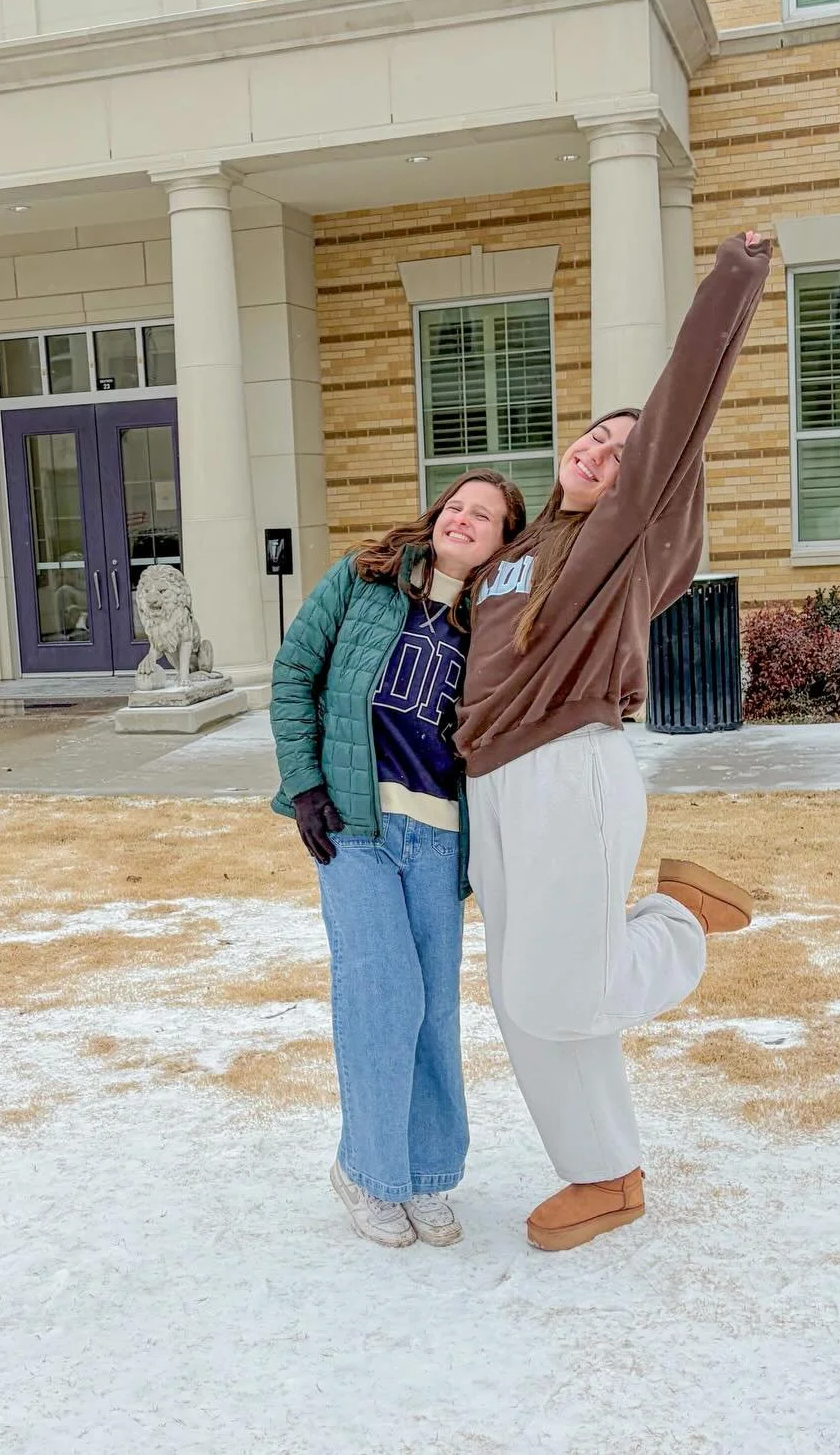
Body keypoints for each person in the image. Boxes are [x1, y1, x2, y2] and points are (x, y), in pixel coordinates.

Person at [458, 230, 771, 1254]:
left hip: (568, 770)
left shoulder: (622, 539)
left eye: (623, 453)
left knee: (565, 988)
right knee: (523, 1003)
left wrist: (733, 280)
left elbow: (681, 414)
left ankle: (680, 922)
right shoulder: (523, 545)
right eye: (594, 437)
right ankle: (604, 1173)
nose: (599, 452)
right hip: (493, 783)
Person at [270, 472, 525, 1249]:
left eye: (484, 515)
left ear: (504, 540)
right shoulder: (365, 577)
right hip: (355, 826)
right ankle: (367, 1172)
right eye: (456, 505)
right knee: (383, 998)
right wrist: (305, 785)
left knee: (434, 1011)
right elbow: (294, 672)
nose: (463, 518)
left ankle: (428, 1172)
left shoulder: (499, 618)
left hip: (440, 837)